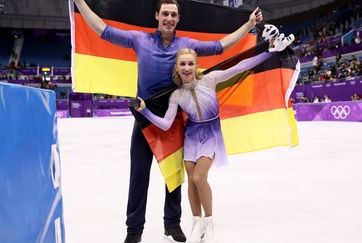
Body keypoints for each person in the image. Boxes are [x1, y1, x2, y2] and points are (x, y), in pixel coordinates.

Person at [72, 0, 264, 242]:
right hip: (145, 114)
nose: (169, 18)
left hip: (174, 113)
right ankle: (134, 231)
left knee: (174, 174)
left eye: (173, 14)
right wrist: (79, 2)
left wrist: (248, 26)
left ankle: (172, 224)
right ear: (157, 16)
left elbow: (219, 46)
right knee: (139, 175)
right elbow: (102, 30)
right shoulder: (138, 39)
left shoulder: (187, 46)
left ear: (178, 19)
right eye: (165, 13)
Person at [136, 34, 294, 243]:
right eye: (182, 64)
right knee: (191, 182)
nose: (186, 68)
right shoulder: (176, 95)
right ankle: (196, 224)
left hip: (211, 133)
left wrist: (269, 52)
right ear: (176, 68)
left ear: (196, 65)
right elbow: (165, 123)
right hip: (191, 135)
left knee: (199, 178)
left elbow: (239, 68)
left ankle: (209, 224)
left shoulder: (210, 79)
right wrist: (145, 111)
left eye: (190, 64)